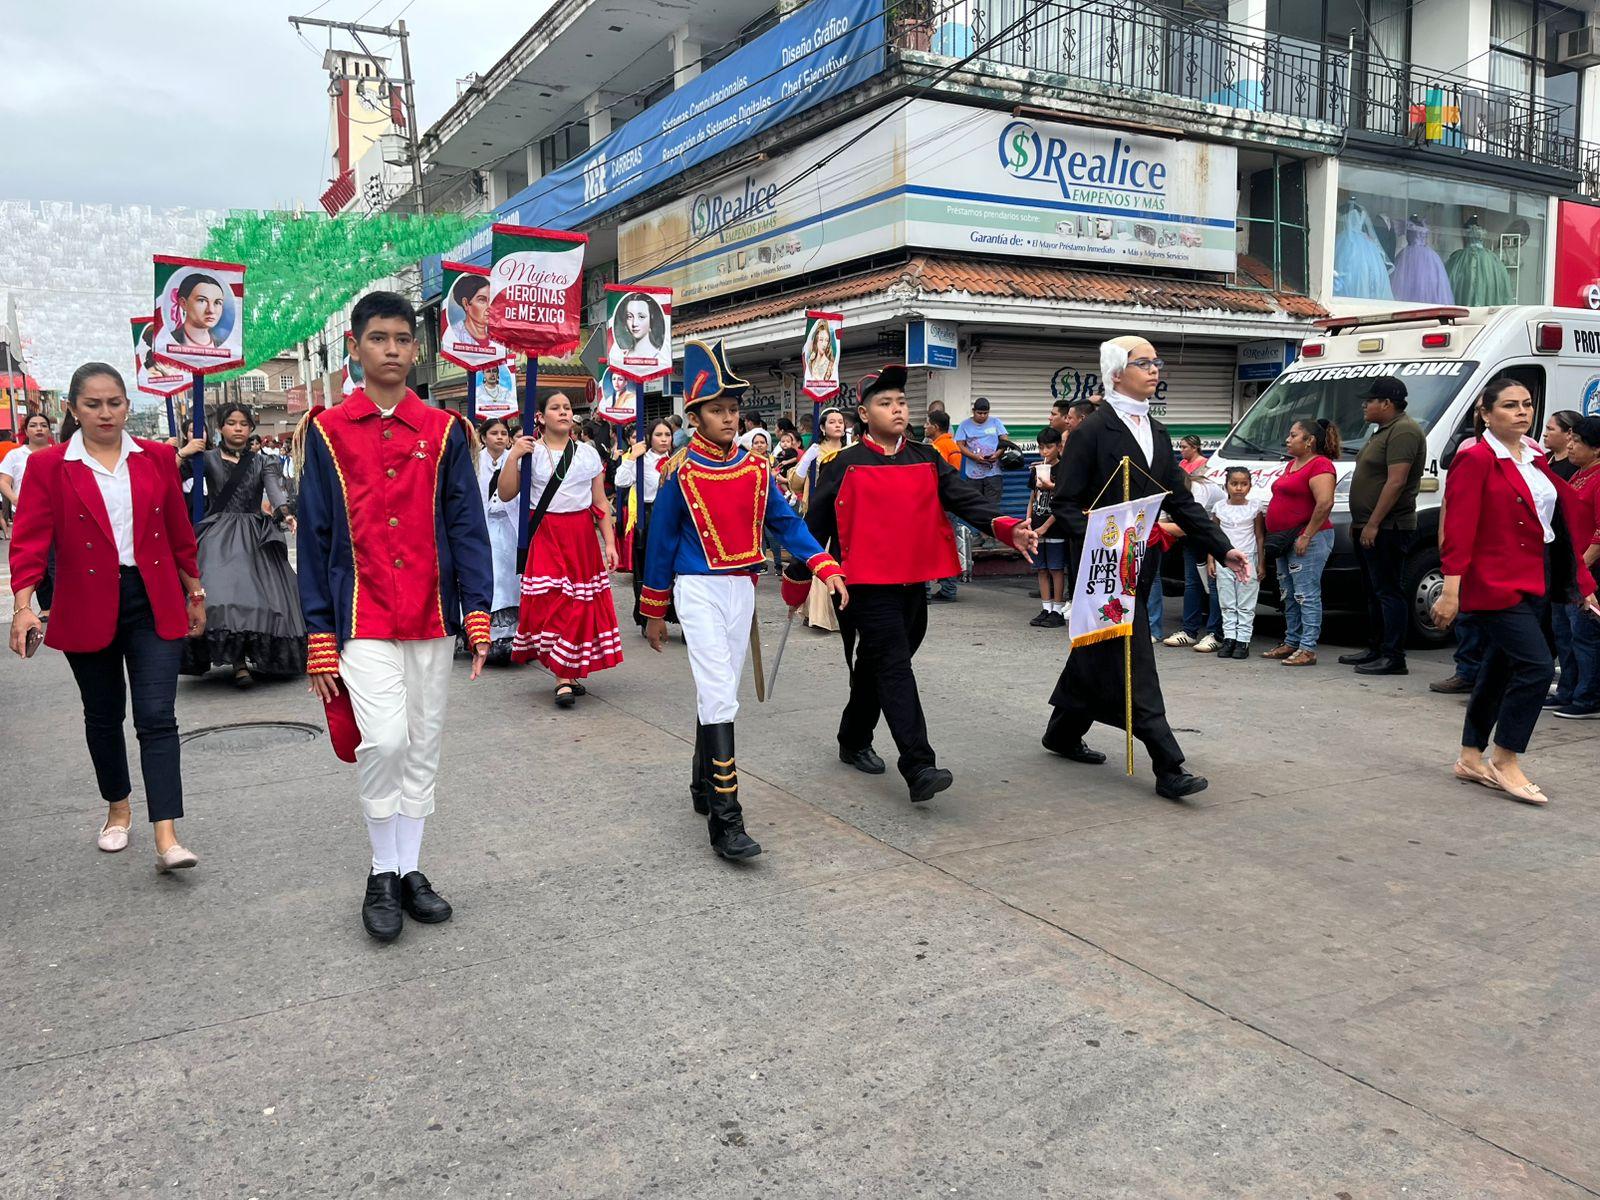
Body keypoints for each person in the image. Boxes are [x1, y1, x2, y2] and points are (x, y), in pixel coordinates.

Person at [296, 291, 494, 943]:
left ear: (416, 349)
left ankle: (411, 871)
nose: (391, 349)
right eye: (378, 337)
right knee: (383, 740)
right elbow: (315, 535)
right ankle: (382, 870)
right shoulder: (324, 432)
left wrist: (478, 608)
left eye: (402, 339)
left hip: (431, 615)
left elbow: (466, 525)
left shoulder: (445, 432)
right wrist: (319, 632)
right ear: (354, 347)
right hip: (362, 615)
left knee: (423, 744)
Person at [787, 365, 1036, 804]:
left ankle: (852, 736)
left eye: (901, 401)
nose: (898, 409)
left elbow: (963, 497)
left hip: (913, 581)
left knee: (878, 665)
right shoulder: (842, 463)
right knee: (895, 666)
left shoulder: (925, 456)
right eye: (886, 403)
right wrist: (800, 575)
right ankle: (918, 764)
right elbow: (815, 524)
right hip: (863, 585)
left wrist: (1006, 527)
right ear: (864, 414)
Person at [641, 339, 846, 860]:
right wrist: (653, 611)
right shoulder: (679, 472)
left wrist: (824, 566)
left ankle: (699, 785)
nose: (730, 418)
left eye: (734, 409)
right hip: (697, 588)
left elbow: (786, 524)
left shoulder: (756, 471)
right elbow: (660, 543)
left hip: (742, 588)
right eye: (718, 410)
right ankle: (726, 821)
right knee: (718, 692)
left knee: (719, 693)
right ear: (696, 416)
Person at [9, 363, 205, 869]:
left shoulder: (158, 457)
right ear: (73, 409)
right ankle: (118, 809)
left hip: (151, 597)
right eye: (93, 404)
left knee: (157, 717)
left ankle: (168, 835)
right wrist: (23, 607)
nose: (105, 413)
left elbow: (180, 533)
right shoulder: (50, 466)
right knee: (103, 716)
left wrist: (195, 591)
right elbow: (30, 542)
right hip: (84, 603)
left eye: (114, 402)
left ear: (126, 405)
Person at [1042, 336, 1249, 800]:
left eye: (1156, 362)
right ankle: (1167, 762)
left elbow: (1179, 497)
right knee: (1133, 655)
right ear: (1117, 373)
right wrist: (1102, 539)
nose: (1155, 369)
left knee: (1098, 649)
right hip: (1104, 570)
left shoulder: (1156, 431)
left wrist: (1222, 545)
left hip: (1145, 560)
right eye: (1144, 363)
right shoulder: (1093, 432)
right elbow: (1067, 503)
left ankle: (1062, 731)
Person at [1432, 379, 1598, 803]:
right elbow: (1460, 527)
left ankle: (1471, 756)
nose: (1522, 412)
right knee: (1538, 667)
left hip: (1536, 574)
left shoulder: (1537, 456)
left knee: (1500, 666)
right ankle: (1505, 758)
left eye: (1526, 404)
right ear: (1486, 414)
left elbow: (1557, 526)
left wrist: (1581, 582)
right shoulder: (1476, 458)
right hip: (1493, 580)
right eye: (1509, 405)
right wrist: (1451, 589)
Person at [500, 390, 622, 704]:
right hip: (544, 532)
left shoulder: (588, 453)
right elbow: (506, 493)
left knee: (581, 603)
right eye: (555, 408)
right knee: (554, 602)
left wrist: (609, 542)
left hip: (580, 535)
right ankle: (562, 674)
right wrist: (513, 456)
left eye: (567, 407)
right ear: (539, 417)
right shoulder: (530, 452)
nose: (564, 412)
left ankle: (566, 669)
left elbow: (598, 503)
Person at [177, 401, 304, 686]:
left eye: (244, 424)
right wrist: (183, 453)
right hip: (218, 534)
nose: (238, 428)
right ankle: (236, 661)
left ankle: (250, 656)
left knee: (264, 600)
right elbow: (169, 477)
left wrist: (287, 513)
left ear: (250, 428)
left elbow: (274, 489)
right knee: (222, 598)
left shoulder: (263, 461)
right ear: (220, 427)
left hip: (255, 532)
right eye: (232, 423)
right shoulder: (205, 458)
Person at [1337, 378, 1426, 676]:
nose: (1364, 404)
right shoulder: (1382, 431)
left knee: (1389, 591)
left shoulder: (1404, 431)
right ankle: (1375, 647)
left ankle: (1393, 656)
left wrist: (1374, 523)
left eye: (1370, 400)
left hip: (1389, 526)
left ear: (1387, 403)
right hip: (1368, 523)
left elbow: (1396, 481)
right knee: (1374, 591)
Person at [1261, 418, 1339, 667]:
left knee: (1306, 594)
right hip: (1285, 540)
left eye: (1293, 435)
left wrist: (1307, 535)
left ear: (1310, 441)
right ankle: (1291, 641)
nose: (1288, 439)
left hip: (1308, 539)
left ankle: (1308, 648)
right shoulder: (1292, 465)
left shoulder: (1321, 465)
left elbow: (1324, 503)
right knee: (1289, 594)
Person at [1547, 415, 1600, 720]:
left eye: (1578, 441)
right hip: (1567, 569)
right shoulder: (1578, 474)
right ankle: (1567, 689)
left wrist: (1583, 568)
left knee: (1585, 636)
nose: (1571, 444)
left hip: (1585, 572)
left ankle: (1588, 696)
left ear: (1597, 449)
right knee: (1564, 634)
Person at [615, 418, 675, 633]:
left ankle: (680, 615)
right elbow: (620, 481)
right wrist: (631, 456)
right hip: (649, 516)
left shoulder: (679, 459)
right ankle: (647, 616)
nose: (664, 439)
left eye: (667, 435)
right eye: (659, 435)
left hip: (674, 517)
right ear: (650, 437)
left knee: (676, 570)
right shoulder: (642, 460)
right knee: (648, 568)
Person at [474, 417, 522, 664]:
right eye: (494, 433)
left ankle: (510, 635)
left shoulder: (515, 461)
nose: (500, 437)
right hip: (483, 527)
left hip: (508, 526)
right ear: (483, 437)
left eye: (504, 433)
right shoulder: (475, 462)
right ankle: (484, 633)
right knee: (488, 577)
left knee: (509, 579)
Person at [1162, 470, 1226, 652]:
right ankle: (1189, 632)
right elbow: (1169, 524)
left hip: (1214, 537)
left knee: (1213, 585)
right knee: (1192, 584)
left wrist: (1152, 525)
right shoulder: (1166, 492)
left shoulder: (1199, 489)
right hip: (1193, 538)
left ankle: (1216, 634)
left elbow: (1186, 525)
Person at [798, 406, 849, 631]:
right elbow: (797, 482)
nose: (838, 425)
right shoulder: (816, 451)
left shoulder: (852, 450)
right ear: (822, 427)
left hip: (845, 513)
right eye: (832, 422)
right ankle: (819, 614)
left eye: (840, 421)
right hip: (821, 513)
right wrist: (807, 460)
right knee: (824, 559)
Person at [1209, 466, 1266, 658]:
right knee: (1227, 602)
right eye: (1234, 484)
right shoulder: (1219, 507)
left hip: (1248, 559)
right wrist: (1211, 559)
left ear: (1250, 486)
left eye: (1244, 484)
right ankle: (1229, 639)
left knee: (1245, 603)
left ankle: (1243, 641)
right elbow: (1213, 536)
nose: (1239, 488)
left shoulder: (1254, 507)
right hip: (1224, 560)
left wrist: (1261, 563)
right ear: (1226, 486)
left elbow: (1259, 536)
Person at [1, 413, 54, 604]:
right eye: (33, 425)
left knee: (57, 560)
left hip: (56, 514)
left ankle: (62, 603)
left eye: (43, 425)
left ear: (49, 429)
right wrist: (16, 500)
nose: (39, 429)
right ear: (26, 430)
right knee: (36, 559)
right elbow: (4, 481)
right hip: (27, 516)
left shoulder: (59, 452)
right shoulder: (15, 455)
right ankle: (46, 606)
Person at [1028, 426, 1067, 628]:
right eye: (1041, 447)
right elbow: (1032, 497)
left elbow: (1062, 504)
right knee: (1041, 569)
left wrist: (1045, 526)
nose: (1044, 452)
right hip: (1036, 525)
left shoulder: (1064, 471)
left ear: (1059, 447)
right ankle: (1046, 607)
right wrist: (1028, 520)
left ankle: (1058, 609)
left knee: (1056, 569)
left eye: (1049, 447)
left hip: (1054, 527)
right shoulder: (1036, 469)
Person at [924, 409, 965, 601]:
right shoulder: (952, 445)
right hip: (950, 503)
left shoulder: (938, 449)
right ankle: (948, 589)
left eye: (927, 423)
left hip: (938, 504)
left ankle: (924, 591)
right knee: (947, 547)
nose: (924, 426)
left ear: (936, 427)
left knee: (926, 545)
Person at [954, 396, 1009, 510]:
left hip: (993, 473)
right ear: (973, 411)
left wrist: (997, 454)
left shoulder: (996, 422)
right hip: (973, 475)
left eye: (985, 413)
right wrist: (974, 457)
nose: (982, 416)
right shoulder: (964, 425)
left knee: (992, 508)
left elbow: (1005, 440)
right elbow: (959, 445)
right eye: (979, 413)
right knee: (975, 507)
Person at [168, 274, 227, 348]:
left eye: (217, 302)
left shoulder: (223, 346)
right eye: (202, 300)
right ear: (183, 303)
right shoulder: (168, 341)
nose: (211, 310)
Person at [1544, 410, 1581, 481]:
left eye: (1550, 429)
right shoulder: (1543, 459)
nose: (1545, 434)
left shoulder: (1575, 468)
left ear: (1569, 433)